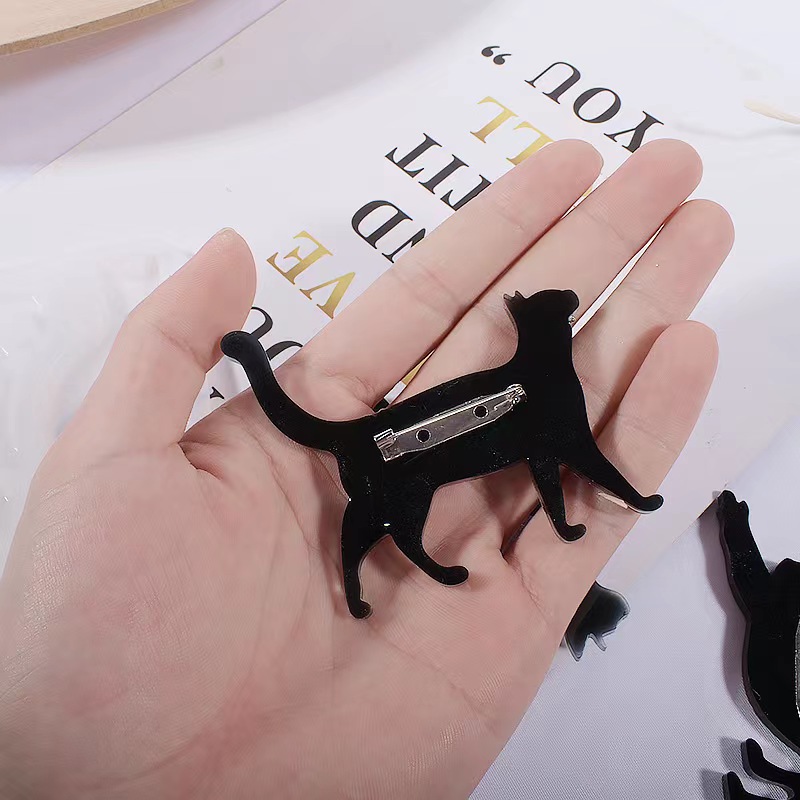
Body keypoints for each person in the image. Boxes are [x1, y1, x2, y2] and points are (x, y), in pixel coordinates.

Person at [0, 139, 733, 799]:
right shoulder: (546, 387)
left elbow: (555, 454)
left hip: (427, 446)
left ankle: (374, 573)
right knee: (389, 509)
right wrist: (623, 495)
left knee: (396, 505)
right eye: (560, 316)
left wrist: (578, 513)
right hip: (402, 448)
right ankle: (370, 575)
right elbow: (569, 450)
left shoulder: (541, 387)